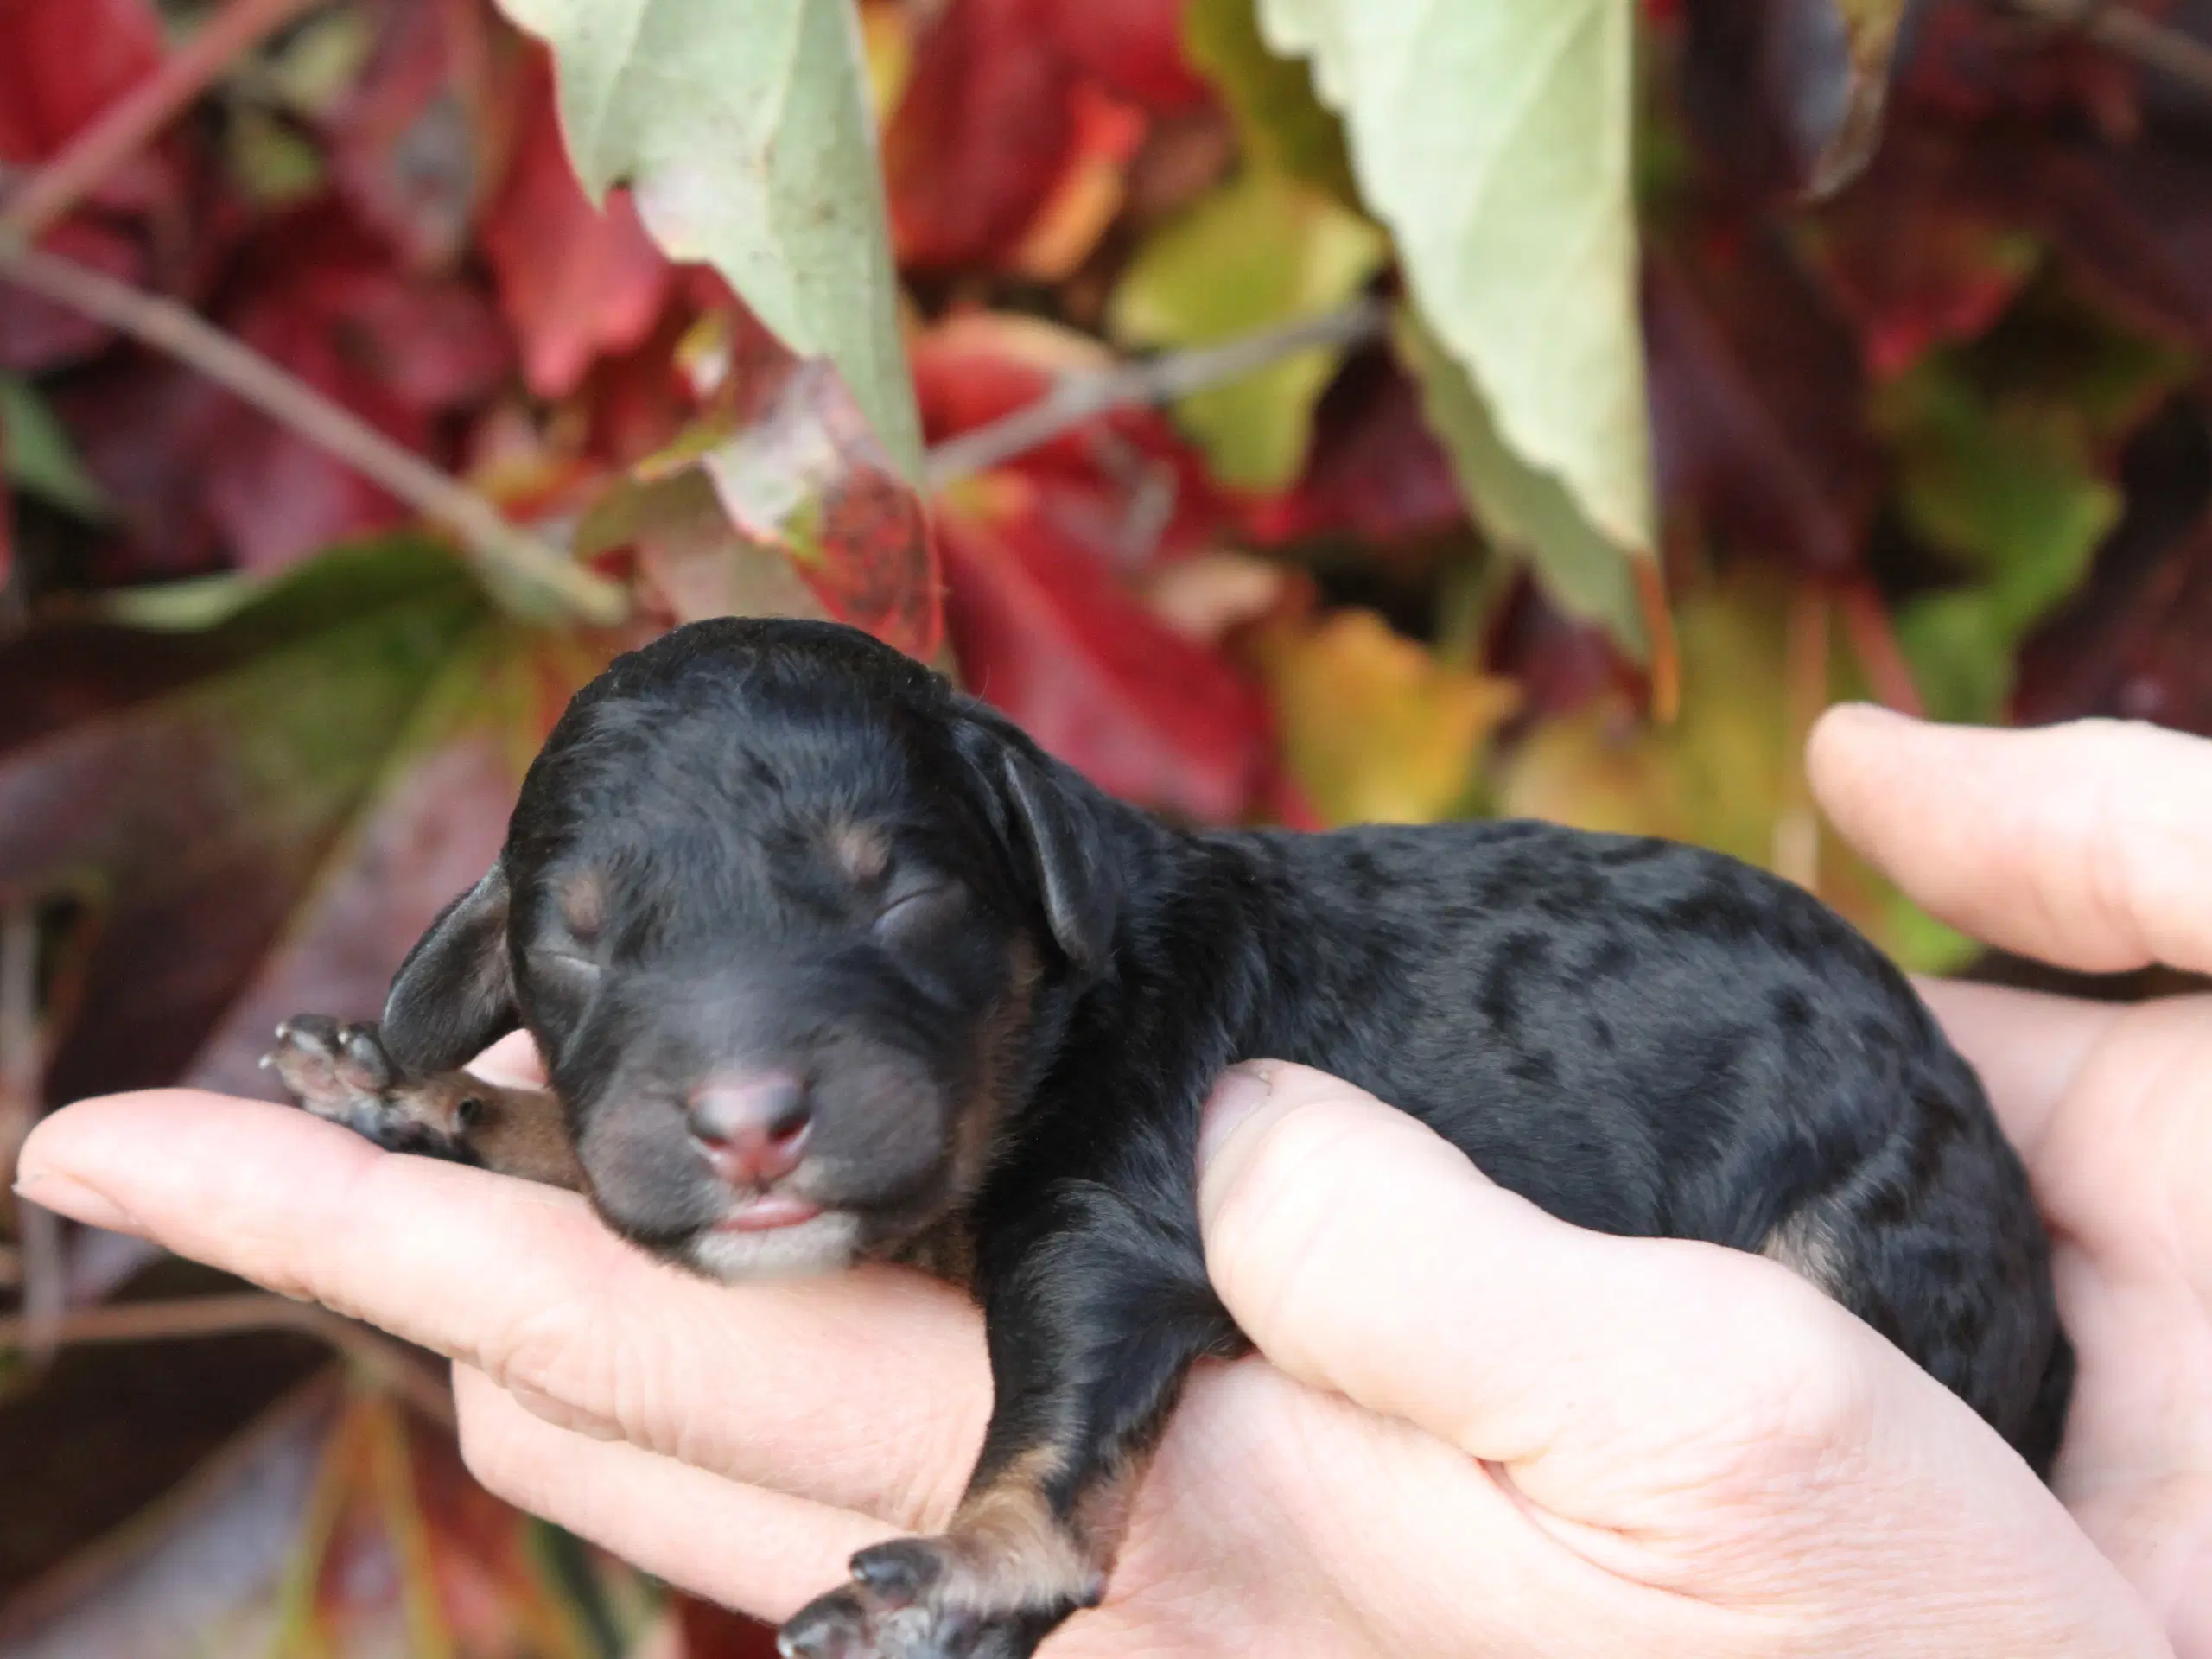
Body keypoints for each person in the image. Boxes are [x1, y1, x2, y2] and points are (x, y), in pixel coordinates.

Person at [14, 704, 2210, 1657]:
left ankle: (1014, 1551)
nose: (746, 1097)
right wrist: (483, 1120)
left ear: (1033, 868)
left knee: (1077, 1233)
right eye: (585, 956)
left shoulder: (1128, 1012)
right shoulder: (936, 1061)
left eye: (889, 916)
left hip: (1838, 1212)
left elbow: (1075, 1245)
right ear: (489, 966)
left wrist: (1006, 1542)